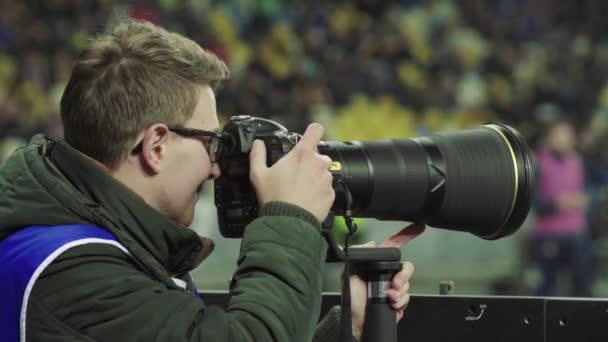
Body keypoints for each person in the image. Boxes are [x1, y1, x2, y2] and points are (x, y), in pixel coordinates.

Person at [0, 19, 424, 341]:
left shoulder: (98, 242)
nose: (217, 166)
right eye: (211, 142)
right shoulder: (74, 271)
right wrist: (290, 218)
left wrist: (344, 325)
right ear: (157, 146)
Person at [532, 118, 593, 297]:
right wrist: (561, 203)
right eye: (559, 135)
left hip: (576, 234)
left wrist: (585, 200)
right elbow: (536, 204)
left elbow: (587, 195)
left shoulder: (578, 162)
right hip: (548, 235)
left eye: (567, 136)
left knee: (583, 288)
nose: (563, 140)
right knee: (546, 288)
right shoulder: (538, 163)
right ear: (549, 138)